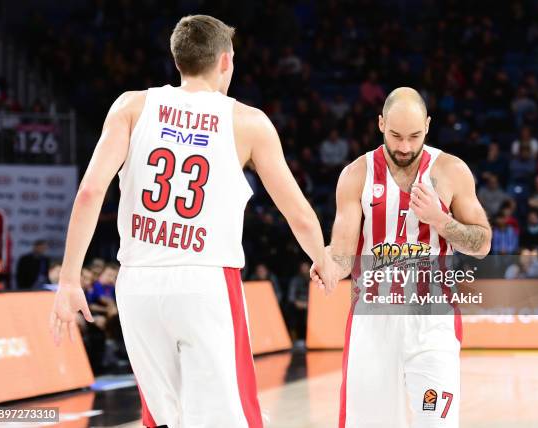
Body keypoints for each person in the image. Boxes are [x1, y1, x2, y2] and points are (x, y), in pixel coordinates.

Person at [49, 15, 336, 428]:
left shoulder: (132, 106)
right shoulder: (247, 121)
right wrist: (320, 258)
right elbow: (296, 211)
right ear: (226, 61)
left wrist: (69, 279)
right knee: (232, 418)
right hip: (206, 283)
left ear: (178, 58)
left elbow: (91, 192)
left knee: (164, 418)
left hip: (139, 281)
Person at [312, 88, 491, 427]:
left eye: (414, 136)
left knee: (436, 422)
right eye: (396, 136)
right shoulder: (356, 174)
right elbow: (344, 254)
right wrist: (328, 265)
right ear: (380, 123)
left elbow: (482, 244)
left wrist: (441, 221)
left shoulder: (451, 170)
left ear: (427, 125)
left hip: (432, 323)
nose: (405, 147)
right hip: (373, 322)